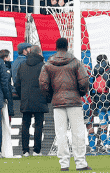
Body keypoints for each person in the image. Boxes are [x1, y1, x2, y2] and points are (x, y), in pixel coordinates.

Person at [40, 36, 89, 170]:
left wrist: (51, 96)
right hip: (74, 101)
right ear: (67, 47)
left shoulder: (49, 64)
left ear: (56, 47)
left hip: (57, 101)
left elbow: (43, 84)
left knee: (60, 133)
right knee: (78, 133)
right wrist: (80, 93)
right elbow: (84, 81)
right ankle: (80, 163)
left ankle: (64, 164)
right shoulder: (75, 62)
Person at [13, 42, 49, 157]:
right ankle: (37, 150)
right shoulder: (43, 66)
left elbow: (17, 84)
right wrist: (47, 97)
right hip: (40, 99)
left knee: (25, 125)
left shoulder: (22, 65)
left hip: (26, 99)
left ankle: (25, 150)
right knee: (38, 125)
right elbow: (47, 84)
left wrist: (22, 95)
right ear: (39, 53)